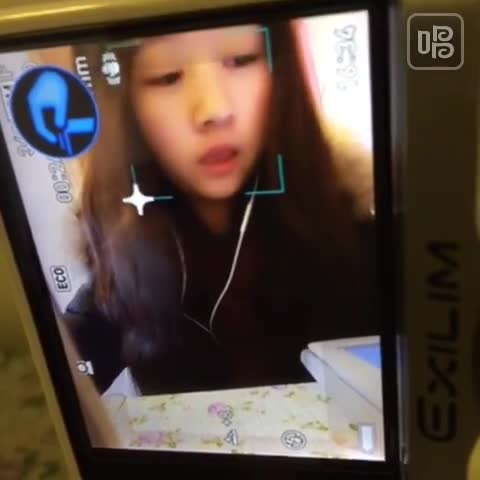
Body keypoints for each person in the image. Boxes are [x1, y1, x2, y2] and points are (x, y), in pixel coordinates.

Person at [64, 21, 379, 396]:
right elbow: (63, 367)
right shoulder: (119, 250)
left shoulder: (363, 226)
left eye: (241, 60)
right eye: (167, 76)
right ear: (124, 103)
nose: (215, 109)